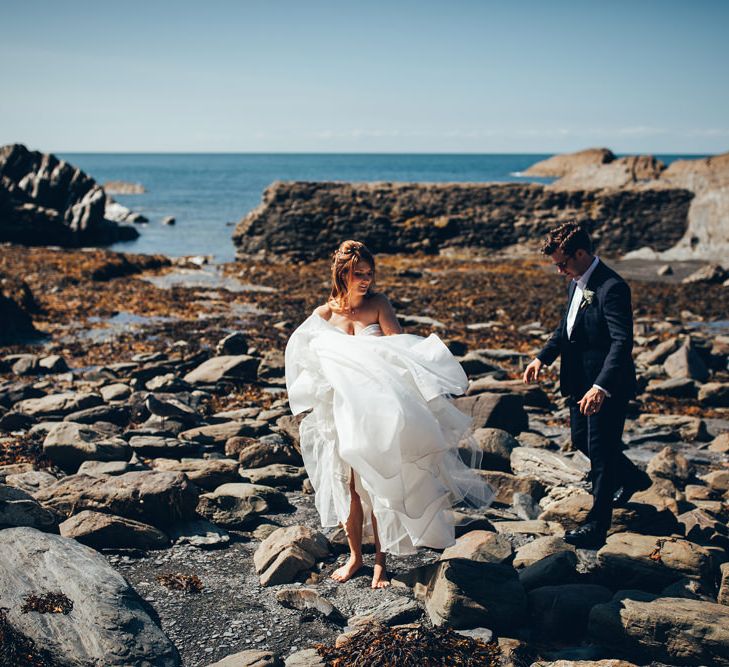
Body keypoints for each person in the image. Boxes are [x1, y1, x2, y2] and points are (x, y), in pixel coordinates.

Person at [285, 240, 493, 588]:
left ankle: (381, 562)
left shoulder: (379, 304)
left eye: (369, 274)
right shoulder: (323, 315)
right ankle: (355, 557)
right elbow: (302, 360)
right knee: (349, 487)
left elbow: (401, 351)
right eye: (358, 274)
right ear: (342, 274)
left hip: (379, 412)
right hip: (342, 413)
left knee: (378, 484)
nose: (365, 281)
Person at [523, 222, 650, 549]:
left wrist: (602, 387)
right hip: (578, 382)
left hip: (606, 386)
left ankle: (597, 525)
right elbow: (566, 328)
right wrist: (542, 358)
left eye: (562, 263)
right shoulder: (575, 283)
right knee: (582, 440)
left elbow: (622, 343)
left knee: (603, 454)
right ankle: (633, 477)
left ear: (581, 253)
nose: (559, 270)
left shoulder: (612, 287)